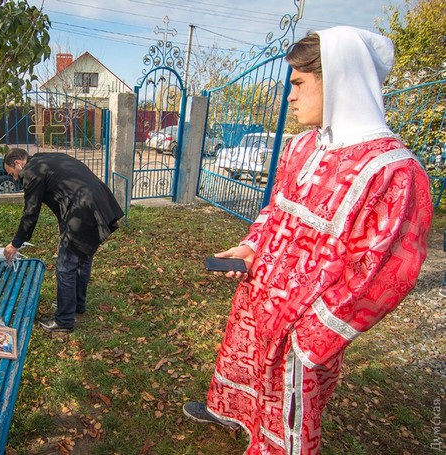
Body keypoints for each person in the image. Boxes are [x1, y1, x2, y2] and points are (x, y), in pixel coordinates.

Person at [183, 26, 433, 454]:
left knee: (292, 409)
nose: (290, 97)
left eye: (298, 83)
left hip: (304, 322)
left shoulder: (394, 172)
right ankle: (231, 412)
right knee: (242, 363)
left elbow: (383, 272)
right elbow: (275, 211)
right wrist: (251, 248)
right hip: (258, 294)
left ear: (338, 79)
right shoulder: (301, 147)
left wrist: (312, 333)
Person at [3, 148, 124, 333]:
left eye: (13, 174)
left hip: (82, 209)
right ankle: (77, 304)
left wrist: (15, 243)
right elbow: (64, 187)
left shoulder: (31, 172)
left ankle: (64, 320)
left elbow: (30, 213)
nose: (14, 179)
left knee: (65, 267)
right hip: (98, 200)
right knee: (82, 258)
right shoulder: (45, 158)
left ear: (18, 163)